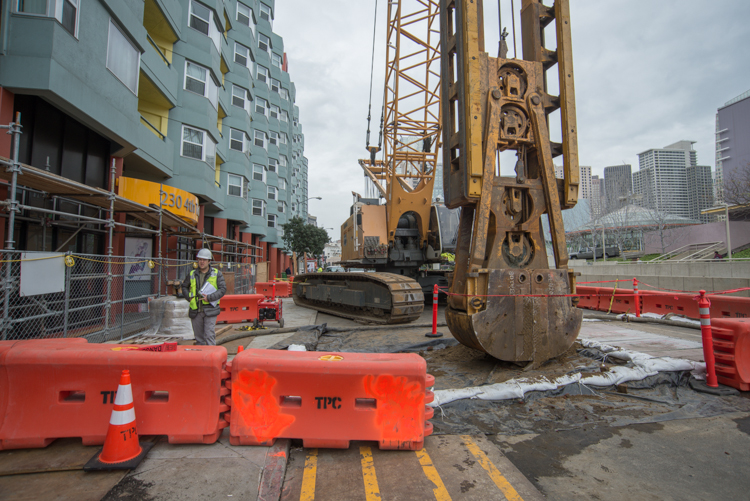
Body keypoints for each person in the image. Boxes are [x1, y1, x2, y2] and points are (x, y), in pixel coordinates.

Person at [174, 248, 226, 345]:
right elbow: (184, 286)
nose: (202, 262)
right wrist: (188, 296)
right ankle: (201, 357)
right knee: (199, 338)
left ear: (209, 261)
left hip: (210, 309)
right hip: (196, 310)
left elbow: (222, 290)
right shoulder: (192, 274)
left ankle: (211, 358)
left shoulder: (216, 273)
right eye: (200, 259)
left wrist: (209, 297)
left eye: (204, 260)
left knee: (209, 335)